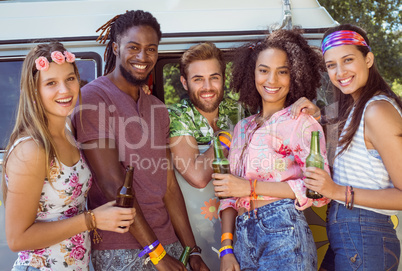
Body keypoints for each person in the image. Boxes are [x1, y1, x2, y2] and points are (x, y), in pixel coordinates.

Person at [71, 10, 208, 271]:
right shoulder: (93, 98)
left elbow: (167, 185)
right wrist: (156, 253)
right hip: (121, 246)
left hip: (169, 244)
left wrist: (192, 250)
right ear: (115, 47)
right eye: (133, 47)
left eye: (151, 49)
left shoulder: (157, 108)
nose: (143, 57)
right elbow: (113, 185)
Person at [2, 42, 136, 271]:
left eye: (70, 79)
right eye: (51, 83)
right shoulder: (32, 150)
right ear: (35, 90)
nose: (64, 90)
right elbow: (17, 239)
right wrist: (92, 220)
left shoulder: (68, 130)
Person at [213, 28, 331, 270]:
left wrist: (249, 187)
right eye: (264, 70)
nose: (272, 80)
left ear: (296, 75)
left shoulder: (301, 121)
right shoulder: (242, 128)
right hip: (243, 236)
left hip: (284, 232)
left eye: (283, 72)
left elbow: (319, 191)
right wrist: (226, 247)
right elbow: (228, 194)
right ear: (251, 73)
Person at [304, 24, 402, 270]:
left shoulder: (377, 110)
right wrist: (318, 118)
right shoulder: (355, 110)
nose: (340, 72)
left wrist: (336, 191)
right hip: (352, 231)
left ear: (368, 59)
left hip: (365, 231)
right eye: (331, 65)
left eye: (348, 60)